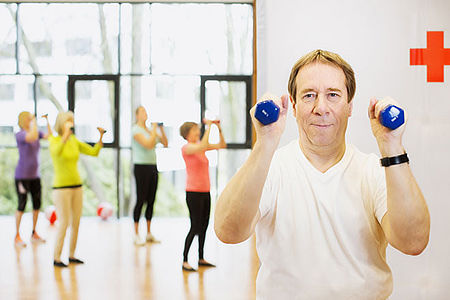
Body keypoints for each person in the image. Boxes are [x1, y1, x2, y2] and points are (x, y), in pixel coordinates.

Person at [214, 49, 430, 299]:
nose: (321, 108)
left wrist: (391, 144)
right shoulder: (271, 167)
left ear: (349, 106)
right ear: (293, 106)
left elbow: (413, 242)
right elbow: (228, 231)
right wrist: (265, 143)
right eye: (309, 96)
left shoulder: (374, 171)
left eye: (333, 95)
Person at [49, 111, 105, 267]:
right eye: (68, 120)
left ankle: (72, 255)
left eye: (72, 120)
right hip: (61, 189)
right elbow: (56, 152)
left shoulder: (74, 140)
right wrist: (65, 136)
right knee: (64, 223)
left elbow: (93, 152)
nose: (71, 123)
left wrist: (101, 137)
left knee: (76, 223)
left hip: (77, 187)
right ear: (61, 122)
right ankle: (57, 257)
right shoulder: (54, 140)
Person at [179, 119, 226, 272]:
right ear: (187, 134)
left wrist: (218, 128)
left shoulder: (199, 147)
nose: (197, 131)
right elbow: (203, 146)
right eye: (194, 130)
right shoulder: (187, 148)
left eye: (198, 129)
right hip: (193, 192)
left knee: (204, 226)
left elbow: (222, 145)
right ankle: (185, 260)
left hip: (205, 191)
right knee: (195, 226)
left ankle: (201, 257)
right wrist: (209, 126)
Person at [131, 106, 168, 245]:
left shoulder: (150, 130)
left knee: (151, 200)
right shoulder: (136, 130)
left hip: (153, 167)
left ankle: (148, 233)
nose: (145, 114)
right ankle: (136, 234)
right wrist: (154, 130)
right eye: (142, 112)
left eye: (146, 111)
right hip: (141, 167)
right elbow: (148, 144)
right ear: (137, 115)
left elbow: (165, 143)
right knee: (141, 199)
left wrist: (161, 130)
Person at [14, 112, 51, 247]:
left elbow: (49, 136)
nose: (31, 120)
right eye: (29, 119)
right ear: (24, 120)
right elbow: (32, 137)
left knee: (37, 205)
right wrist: (34, 123)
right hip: (22, 177)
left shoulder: (36, 132)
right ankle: (17, 235)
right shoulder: (20, 134)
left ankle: (34, 232)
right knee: (21, 205)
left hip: (35, 176)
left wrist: (47, 121)